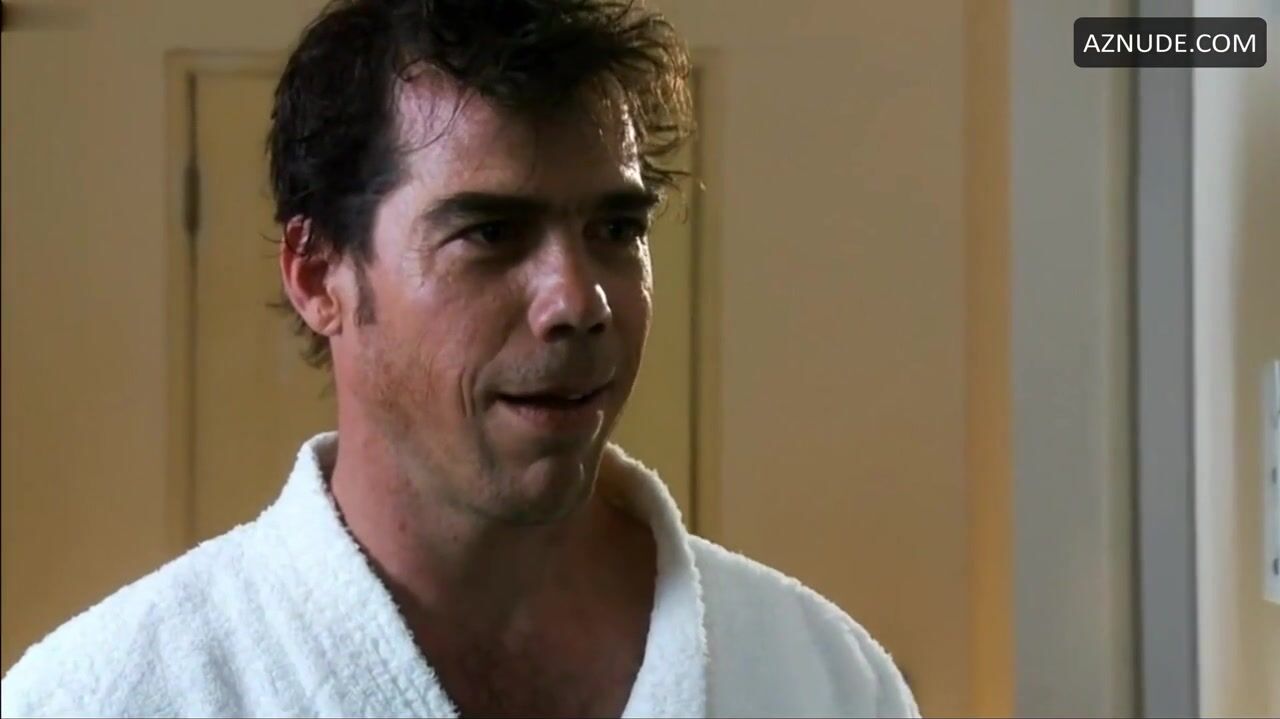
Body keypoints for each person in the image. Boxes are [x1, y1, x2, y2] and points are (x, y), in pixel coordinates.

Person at [1, 0, 919, 716]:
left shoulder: (818, 679)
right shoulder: (108, 695)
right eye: (490, 232)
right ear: (319, 275)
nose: (580, 302)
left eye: (615, 229)